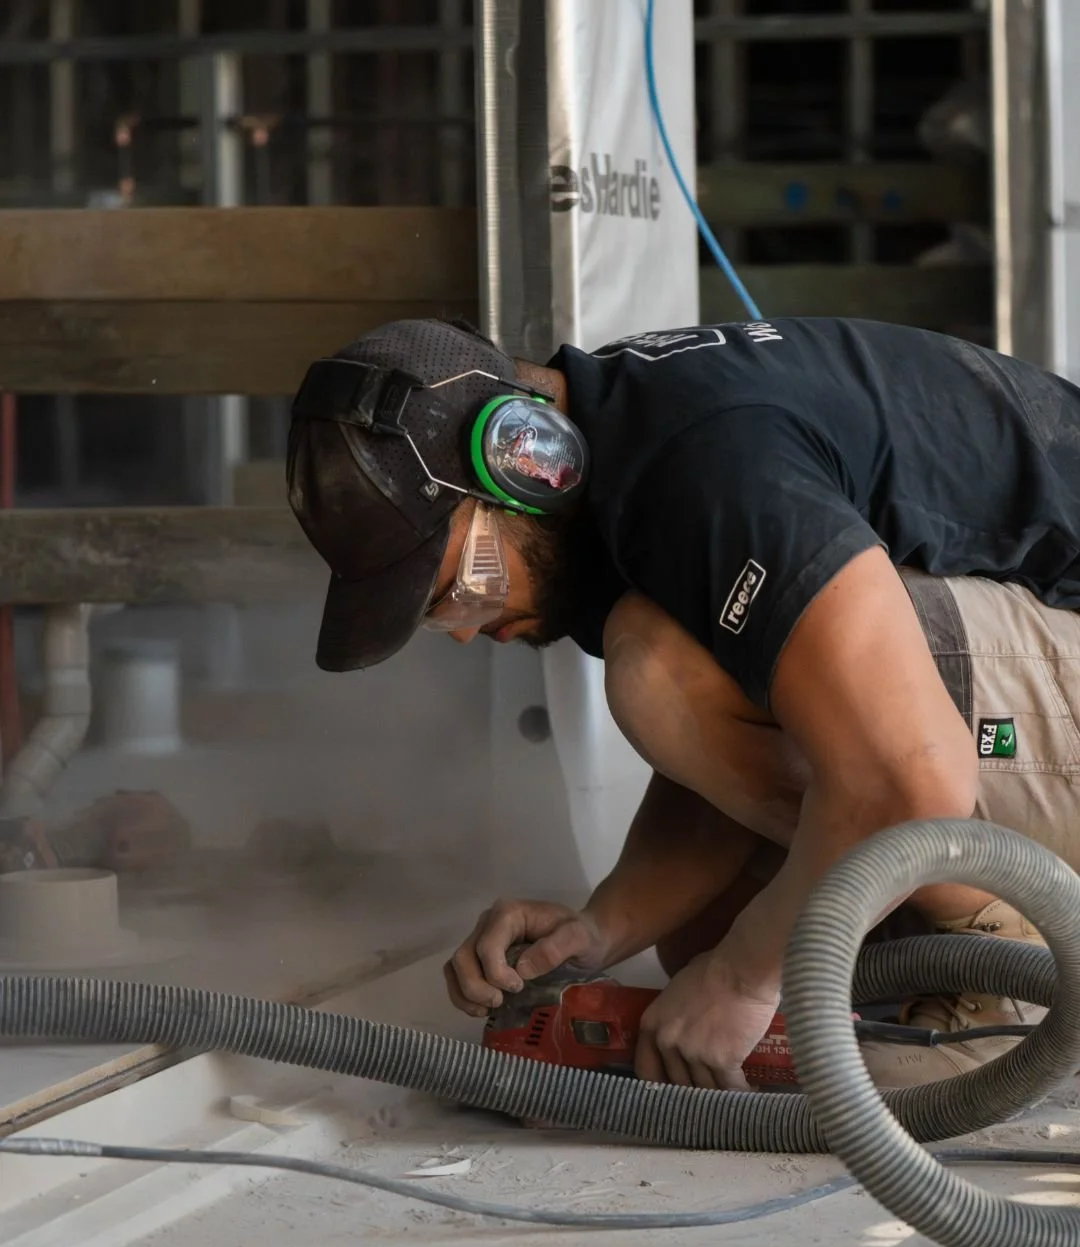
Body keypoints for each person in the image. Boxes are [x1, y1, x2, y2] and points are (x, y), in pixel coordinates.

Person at [286, 315, 1080, 1090]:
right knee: (701, 932)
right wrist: (602, 928)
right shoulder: (636, 450)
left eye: (465, 586)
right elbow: (778, 718)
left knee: (657, 665)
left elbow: (915, 781)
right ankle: (934, 962)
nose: (467, 631)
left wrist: (743, 980)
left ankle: (999, 971)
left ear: (527, 461)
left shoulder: (706, 463)